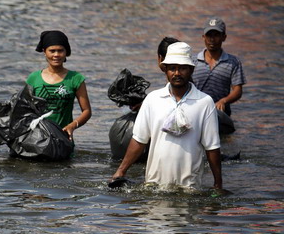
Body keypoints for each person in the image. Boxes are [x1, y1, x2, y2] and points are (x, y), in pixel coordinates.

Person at [111, 42, 222, 190]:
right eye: (172, 68)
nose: (177, 73)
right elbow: (139, 140)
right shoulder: (153, 99)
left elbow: (212, 147)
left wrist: (218, 183)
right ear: (165, 70)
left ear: (191, 70)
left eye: (182, 68)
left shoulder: (204, 103)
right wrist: (121, 170)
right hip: (155, 185)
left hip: (189, 187)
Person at [26, 30, 92, 140]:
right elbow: (24, 108)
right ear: (44, 52)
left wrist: (72, 126)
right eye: (52, 51)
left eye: (60, 50)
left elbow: (87, 111)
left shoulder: (75, 78)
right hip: (36, 139)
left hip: (63, 139)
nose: (56, 55)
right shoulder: (33, 78)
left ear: (66, 52)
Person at [193, 17, 246, 121]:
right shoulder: (192, 61)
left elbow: (237, 90)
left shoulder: (233, 62)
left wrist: (224, 101)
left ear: (224, 37)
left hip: (221, 114)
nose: (212, 39)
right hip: (196, 112)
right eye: (209, 35)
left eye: (216, 35)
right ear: (203, 37)